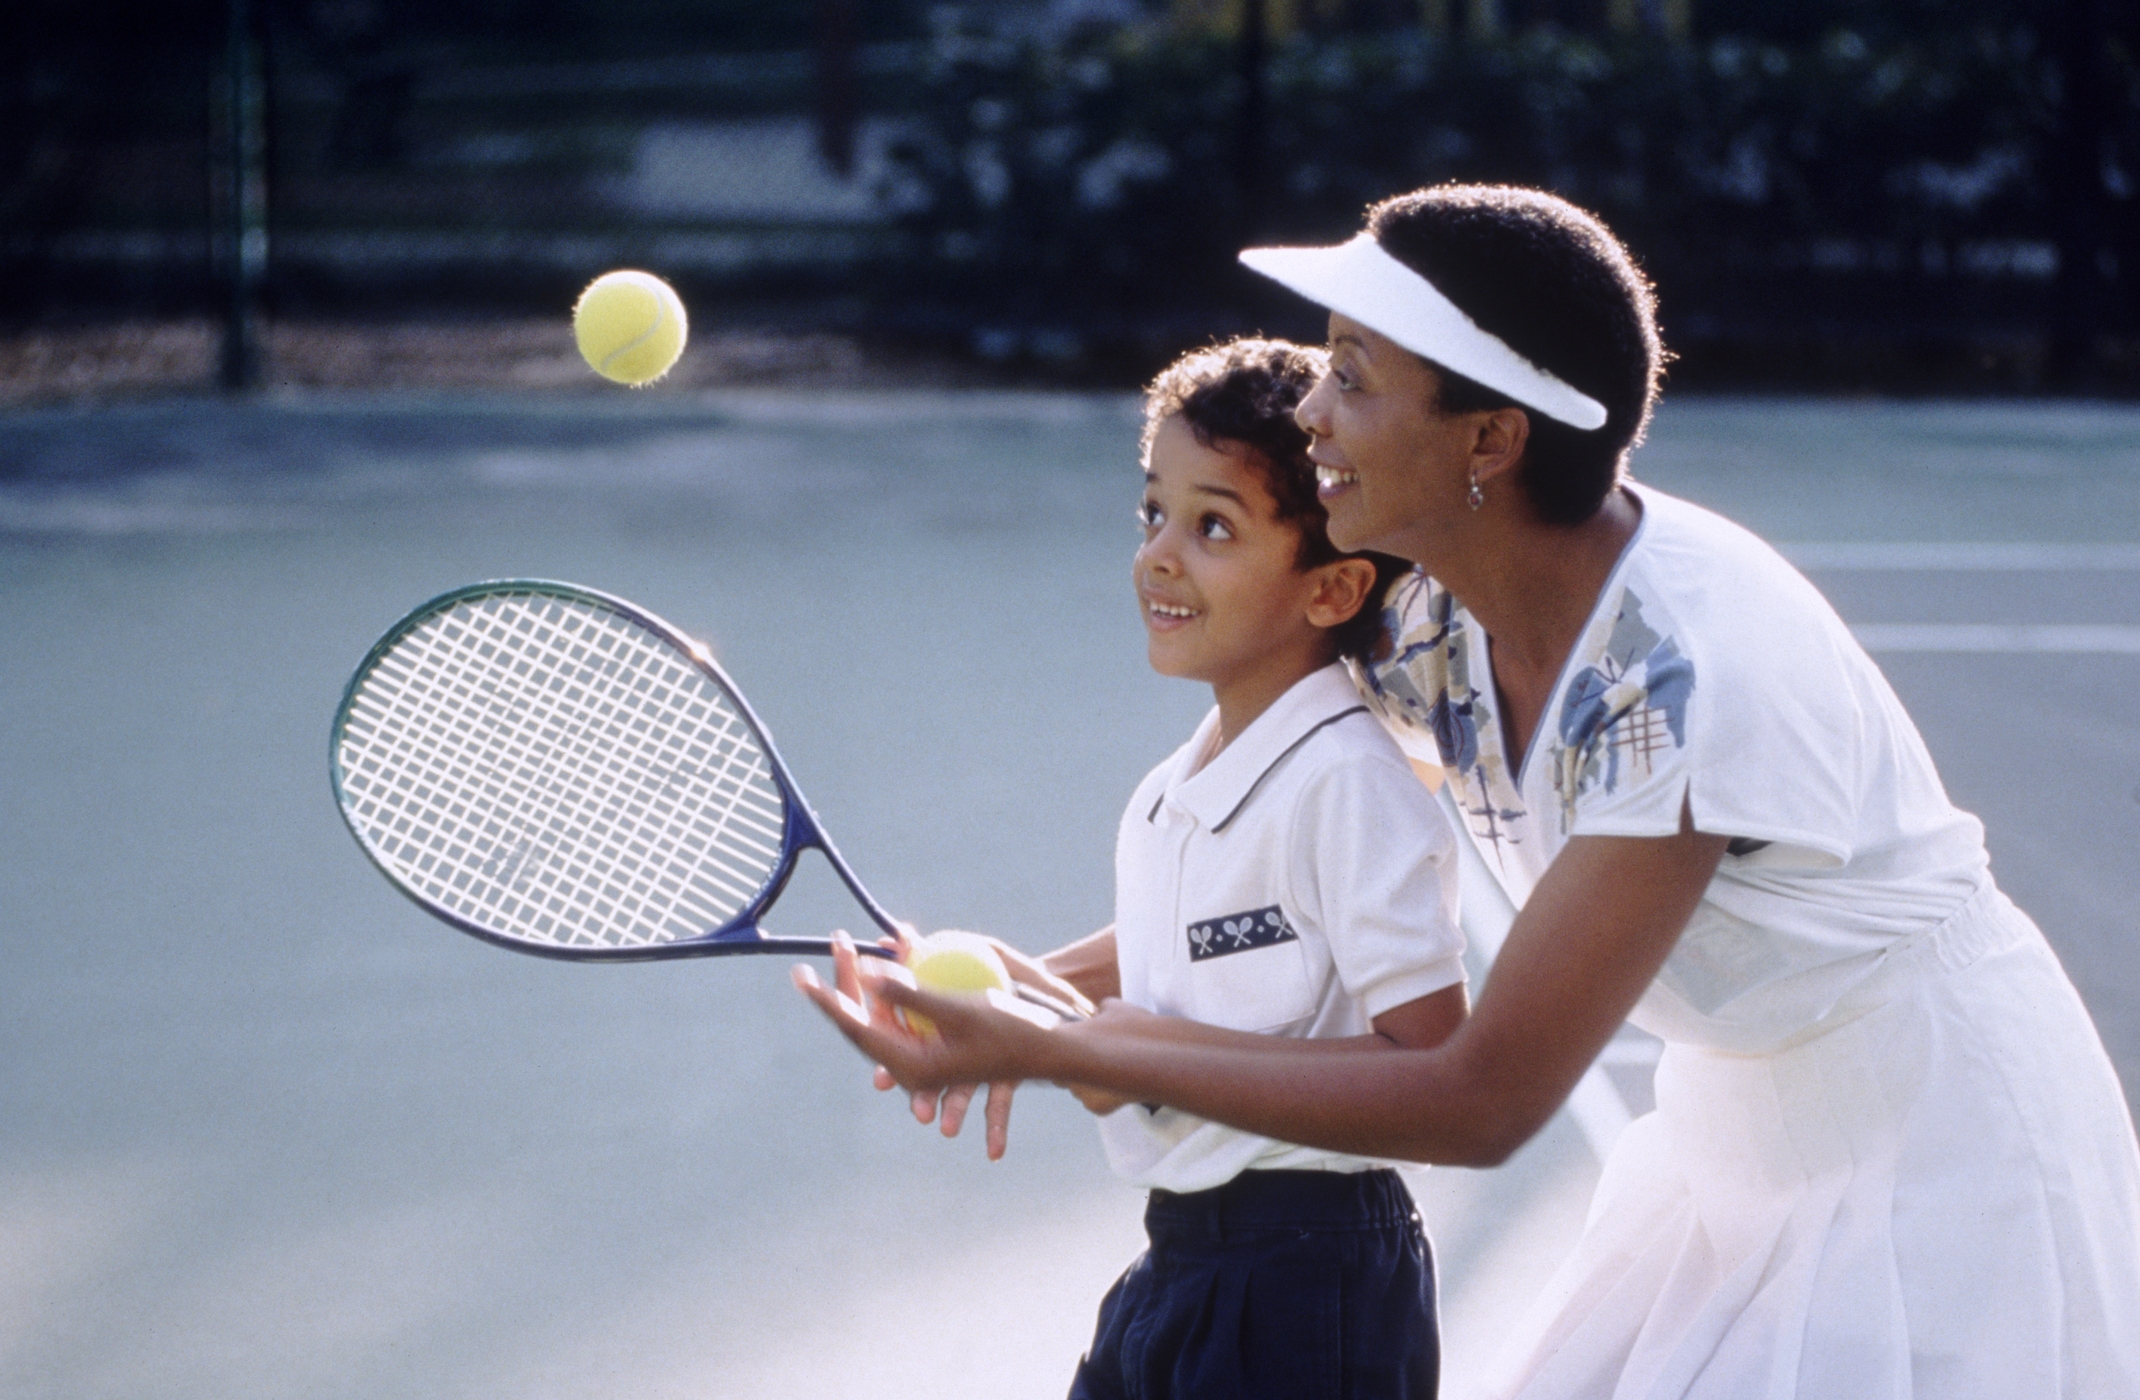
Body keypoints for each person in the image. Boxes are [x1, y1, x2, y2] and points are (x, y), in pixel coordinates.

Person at [800, 184, 2140, 1399]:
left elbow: (1480, 1095)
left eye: (1356, 380)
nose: (1313, 413)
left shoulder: (1679, 681)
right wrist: (1036, 990)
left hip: (1942, 1157)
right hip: (1737, 1135)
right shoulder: (1429, 623)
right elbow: (1267, 885)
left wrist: (1064, 1049)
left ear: (1488, 438)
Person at [799, 337, 1468, 1400]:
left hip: (1310, 1276)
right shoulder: (1182, 781)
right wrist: (1016, 1008)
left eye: (1213, 525)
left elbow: (1433, 1068)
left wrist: (1100, 1051)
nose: (1158, 554)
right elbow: (1207, 931)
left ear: (1332, 585)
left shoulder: (1345, 780)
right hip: (1185, 1259)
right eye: (1152, 511)